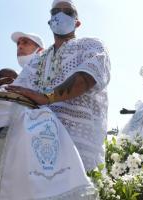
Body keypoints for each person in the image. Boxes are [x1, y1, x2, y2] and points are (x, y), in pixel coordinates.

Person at [8, 0, 111, 172]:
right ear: (50, 21)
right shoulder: (37, 61)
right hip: (38, 144)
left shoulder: (91, 45)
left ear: (77, 22)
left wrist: (47, 97)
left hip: (78, 145)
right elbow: (15, 92)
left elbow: (88, 76)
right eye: (55, 12)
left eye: (68, 12)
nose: (60, 15)